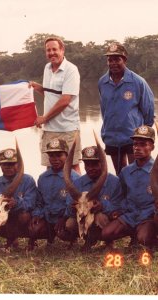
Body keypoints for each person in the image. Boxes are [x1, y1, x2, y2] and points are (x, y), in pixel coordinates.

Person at [98, 42, 154, 175]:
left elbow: (149, 111)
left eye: (117, 59)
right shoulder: (102, 82)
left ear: (124, 60)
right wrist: (106, 130)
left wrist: (142, 136)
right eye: (110, 60)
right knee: (120, 175)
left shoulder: (138, 82)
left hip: (133, 138)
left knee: (137, 172)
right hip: (111, 137)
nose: (113, 63)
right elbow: (104, 110)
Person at [30, 37, 81, 174]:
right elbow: (51, 94)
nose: (51, 53)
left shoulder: (71, 70)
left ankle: (79, 195)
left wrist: (44, 118)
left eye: (54, 49)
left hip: (68, 128)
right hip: (49, 129)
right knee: (50, 167)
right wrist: (38, 87)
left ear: (62, 50)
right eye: (48, 50)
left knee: (73, 165)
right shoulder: (47, 68)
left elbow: (65, 100)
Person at [102, 125, 158, 249]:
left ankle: (149, 238)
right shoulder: (125, 171)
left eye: (143, 144)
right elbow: (120, 196)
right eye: (135, 144)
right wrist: (116, 210)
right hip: (130, 215)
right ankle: (134, 234)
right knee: (106, 233)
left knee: (144, 239)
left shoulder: (156, 170)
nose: (137, 148)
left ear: (152, 147)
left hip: (148, 217)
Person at [58, 144, 123, 249]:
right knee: (70, 224)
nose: (91, 168)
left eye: (95, 164)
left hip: (104, 218)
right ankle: (87, 240)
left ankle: (108, 241)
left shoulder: (114, 181)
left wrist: (102, 206)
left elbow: (120, 206)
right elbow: (69, 207)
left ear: (102, 163)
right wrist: (73, 207)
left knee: (100, 218)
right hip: (83, 219)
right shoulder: (78, 182)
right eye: (88, 165)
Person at [28, 137, 80, 249]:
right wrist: (37, 214)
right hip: (48, 217)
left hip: (64, 218)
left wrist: (64, 217)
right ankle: (48, 237)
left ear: (66, 156)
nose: (55, 159)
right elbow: (39, 202)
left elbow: (73, 204)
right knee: (34, 229)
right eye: (51, 155)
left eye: (59, 155)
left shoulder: (75, 178)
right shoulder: (43, 178)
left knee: (66, 229)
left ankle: (73, 238)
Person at [0, 147, 37, 250]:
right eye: (5, 164)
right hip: (2, 219)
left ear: (18, 165)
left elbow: (31, 203)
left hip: (18, 218)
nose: (8, 167)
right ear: (0, 165)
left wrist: (16, 203)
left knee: (24, 216)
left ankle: (19, 240)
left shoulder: (28, 180)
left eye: (12, 164)